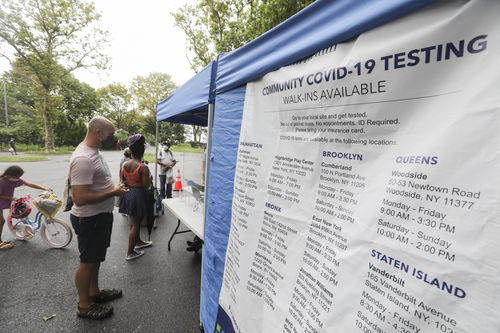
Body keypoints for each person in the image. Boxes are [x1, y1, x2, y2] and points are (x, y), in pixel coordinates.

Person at [69, 116, 129, 320]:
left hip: (100, 217)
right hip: (90, 219)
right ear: (97, 132)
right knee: (87, 262)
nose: (113, 138)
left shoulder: (94, 152)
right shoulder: (83, 159)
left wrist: (113, 190)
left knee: (95, 259)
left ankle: (94, 293)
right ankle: (84, 305)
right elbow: (79, 198)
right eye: (110, 135)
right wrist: (112, 193)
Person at [119, 134, 153, 260]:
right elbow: (146, 185)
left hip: (127, 193)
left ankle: (138, 242)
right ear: (142, 150)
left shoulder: (125, 165)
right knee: (136, 224)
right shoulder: (143, 167)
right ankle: (130, 252)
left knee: (134, 222)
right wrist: (149, 177)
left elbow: (122, 180)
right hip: (138, 195)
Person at [0, 165, 51, 249]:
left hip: (7, 201)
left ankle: (26, 230)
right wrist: (12, 198)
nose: (19, 178)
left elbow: (30, 184)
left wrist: (44, 188)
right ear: (10, 175)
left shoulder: (14, 180)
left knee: (21, 211)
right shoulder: (1, 181)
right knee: (1, 221)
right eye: (18, 176)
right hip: (5, 200)